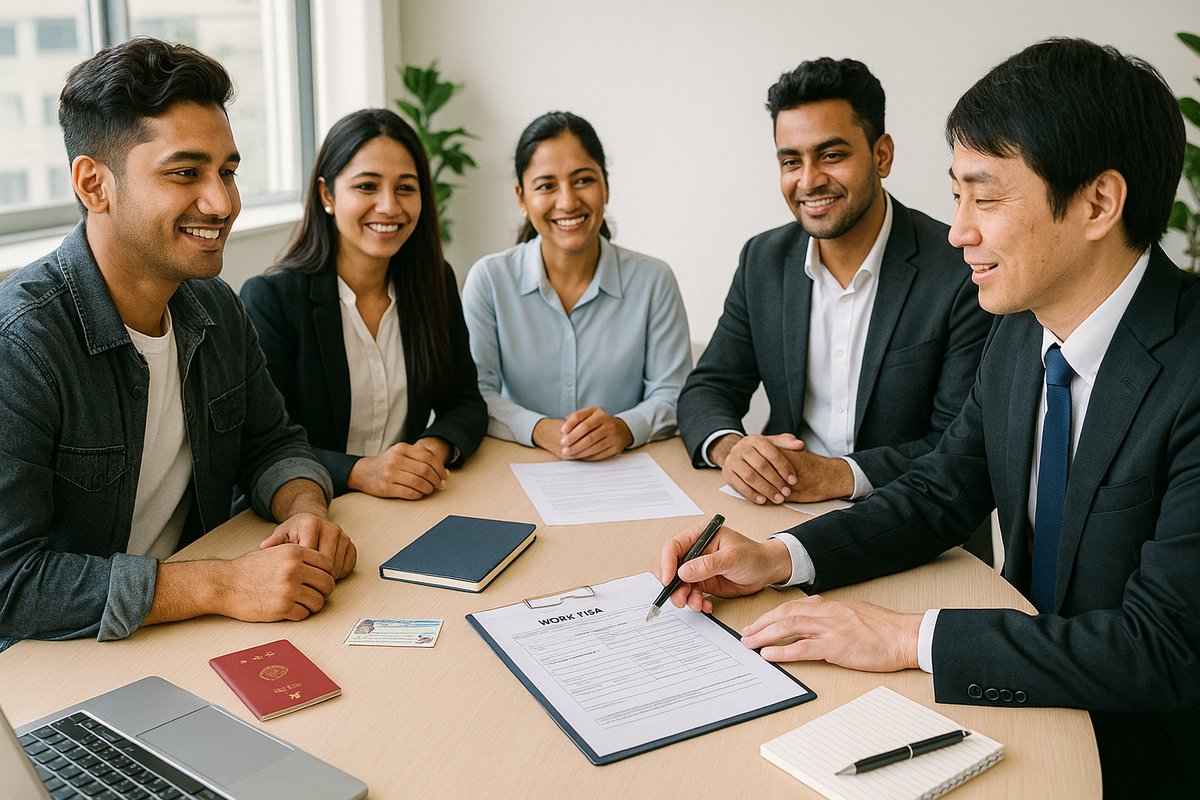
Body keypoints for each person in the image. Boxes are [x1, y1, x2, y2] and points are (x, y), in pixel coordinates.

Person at [657, 38, 1197, 797]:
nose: (958, 231)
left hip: (1139, 749)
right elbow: (941, 491)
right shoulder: (1022, 329)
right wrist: (779, 559)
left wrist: (907, 636)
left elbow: (1165, 648)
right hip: (1016, 693)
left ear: (1098, 203)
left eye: (986, 197)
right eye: (955, 195)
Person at [0, 37, 357, 649]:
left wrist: (306, 510)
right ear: (94, 185)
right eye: (185, 173)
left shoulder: (215, 306)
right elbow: (10, 585)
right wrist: (220, 586)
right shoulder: (21, 347)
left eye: (228, 172)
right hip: (64, 668)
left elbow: (273, 443)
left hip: (190, 638)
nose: (222, 202)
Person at [677, 59, 991, 524]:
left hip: (912, 519)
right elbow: (710, 386)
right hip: (778, 514)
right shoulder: (763, 260)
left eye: (831, 155)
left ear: (881, 155)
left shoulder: (959, 268)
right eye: (790, 161)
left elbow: (957, 447)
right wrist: (731, 447)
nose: (808, 181)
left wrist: (836, 475)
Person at [241, 109, 486, 499]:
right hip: (309, 509)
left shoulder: (434, 281)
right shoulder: (272, 299)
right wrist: (359, 472)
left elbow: (465, 401)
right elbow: (260, 446)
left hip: (408, 503)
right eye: (367, 187)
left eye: (406, 188)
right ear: (327, 195)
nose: (389, 206)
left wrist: (429, 449)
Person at [462, 112, 692, 461]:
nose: (567, 202)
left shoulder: (654, 280)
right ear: (521, 197)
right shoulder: (490, 280)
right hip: (514, 468)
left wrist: (624, 428)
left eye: (583, 180)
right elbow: (476, 393)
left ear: (606, 187)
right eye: (546, 186)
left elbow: (673, 393)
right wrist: (540, 429)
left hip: (626, 468)